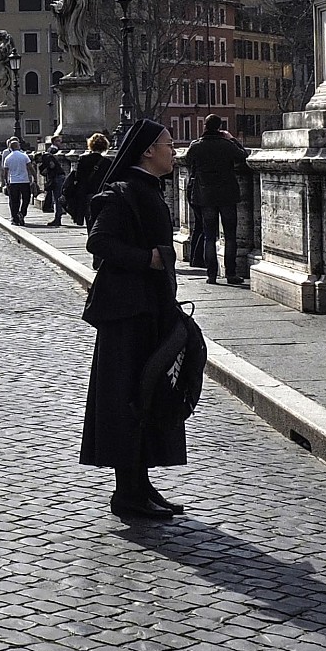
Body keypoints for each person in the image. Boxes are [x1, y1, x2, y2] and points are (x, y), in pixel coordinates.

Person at [80, 118, 186, 520]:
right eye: (168, 144)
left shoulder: (147, 189)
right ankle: (127, 492)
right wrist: (149, 259)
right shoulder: (123, 192)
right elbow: (99, 241)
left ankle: (140, 485)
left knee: (148, 396)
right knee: (127, 397)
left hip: (148, 309)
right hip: (126, 313)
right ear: (147, 151)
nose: (174, 151)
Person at [186, 115, 250, 284]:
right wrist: (232, 139)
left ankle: (211, 275)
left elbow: (187, 161)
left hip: (205, 196)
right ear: (219, 127)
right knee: (230, 236)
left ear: (205, 127)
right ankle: (230, 273)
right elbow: (243, 155)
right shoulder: (226, 145)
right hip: (227, 195)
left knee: (209, 236)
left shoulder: (196, 146)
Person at [63, 132, 111, 227]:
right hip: (100, 193)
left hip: (85, 194)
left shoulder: (83, 159)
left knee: (89, 219)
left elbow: (77, 177)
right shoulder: (107, 162)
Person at [2, 138, 36, 224]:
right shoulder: (24, 156)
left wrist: (6, 182)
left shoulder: (8, 158)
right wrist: (35, 178)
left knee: (14, 201)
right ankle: (22, 212)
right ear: (18, 146)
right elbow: (30, 168)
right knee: (26, 199)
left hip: (13, 181)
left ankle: (15, 218)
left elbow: (5, 172)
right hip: (24, 181)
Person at [38, 143, 69, 226]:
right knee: (57, 198)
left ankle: (58, 218)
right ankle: (58, 216)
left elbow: (52, 165)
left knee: (57, 198)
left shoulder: (46, 157)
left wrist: (46, 170)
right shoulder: (49, 156)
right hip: (58, 177)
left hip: (57, 178)